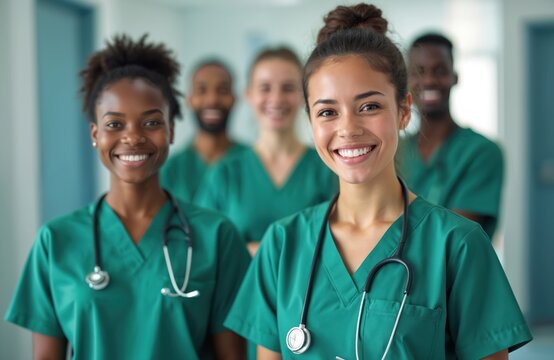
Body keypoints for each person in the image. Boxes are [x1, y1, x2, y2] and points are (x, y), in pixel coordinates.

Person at [223, 3, 531, 359]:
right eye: (327, 112)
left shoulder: (458, 245)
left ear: (403, 110)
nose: (348, 129)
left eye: (369, 106)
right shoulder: (282, 245)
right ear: (310, 121)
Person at [4, 34, 250, 359]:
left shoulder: (217, 237)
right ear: (95, 134)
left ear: (171, 131)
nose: (132, 137)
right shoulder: (55, 242)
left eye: (150, 122)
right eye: (115, 124)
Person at [195, 46, 337, 257]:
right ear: (249, 95)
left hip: (309, 290)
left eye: (288, 88)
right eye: (265, 88)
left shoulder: (327, 169)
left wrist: (254, 251)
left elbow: (343, 243)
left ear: (305, 95)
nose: (276, 98)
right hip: (241, 289)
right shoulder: (224, 174)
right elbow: (201, 247)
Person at [397, 32, 503, 239]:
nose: (429, 80)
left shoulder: (481, 152)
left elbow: (456, 236)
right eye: (419, 71)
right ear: (407, 81)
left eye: (440, 71)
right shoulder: (395, 152)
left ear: (455, 78)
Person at [160, 59, 246, 203]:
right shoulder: (171, 170)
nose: (212, 99)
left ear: (234, 99)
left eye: (223, 90)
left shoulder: (252, 163)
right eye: (201, 90)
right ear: (189, 99)